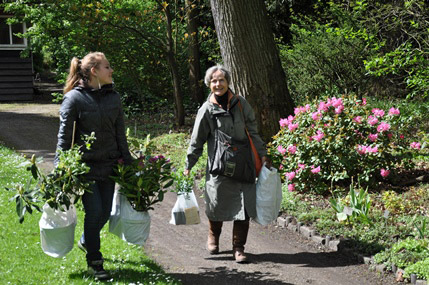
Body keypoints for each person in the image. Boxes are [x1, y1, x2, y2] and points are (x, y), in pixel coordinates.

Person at [55, 52, 132, 280]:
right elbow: (64, 136)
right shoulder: (74, 99)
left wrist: (127, 161)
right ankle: (95, 262)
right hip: (85, 167)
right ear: (94, 71)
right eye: (107, 67)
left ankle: (86, 241)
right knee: (95, 211)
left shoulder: (114, 97)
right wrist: (61, 165)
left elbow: (120, 134)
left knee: (105, 213)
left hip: (109, 165)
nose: (111, 71)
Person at [184, 64, 268, 263]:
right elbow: (197, 140)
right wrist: (189, 164)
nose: (218, 84)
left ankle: (238, 248)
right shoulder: (206, 109)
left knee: (244, 207)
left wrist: (263, 154)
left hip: (243, 164)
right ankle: (214, 235)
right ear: (209, 84)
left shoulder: (241, 104)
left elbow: (253, 131)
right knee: (216, 204)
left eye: (221, 80)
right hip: (219, 167)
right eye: (214, 81)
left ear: (228, 82)